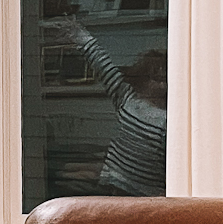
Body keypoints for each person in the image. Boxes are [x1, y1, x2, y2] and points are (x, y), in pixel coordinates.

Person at [58, 18, 168, 196]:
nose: (161, 84)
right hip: (111, 184)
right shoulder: (128, 98)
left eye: (164, 79)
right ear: (142, 79)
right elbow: (102, 65)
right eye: (155, 77)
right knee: (68, 174)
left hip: (146, 196)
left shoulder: (167, 120)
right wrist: (78, 34)